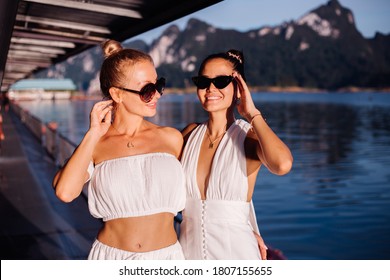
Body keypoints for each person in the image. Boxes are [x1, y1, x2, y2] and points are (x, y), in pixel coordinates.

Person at [52, 39, 186, 260]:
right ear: (117, 94)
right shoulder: (96, 144)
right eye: (148, 89)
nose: (158, 95)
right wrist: (93, 133)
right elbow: (65, 192)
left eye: (158, 85)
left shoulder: (172, 138)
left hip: (167, 259)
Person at [179, 49, 293, 260]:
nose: (210, 88)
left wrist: (251, 114)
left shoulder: (248, 136)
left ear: (238, 87)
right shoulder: (189, 134)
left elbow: (283, 164)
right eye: (203, 81)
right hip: (186, 255)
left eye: (221, 81)